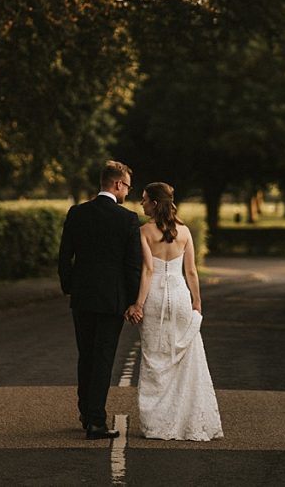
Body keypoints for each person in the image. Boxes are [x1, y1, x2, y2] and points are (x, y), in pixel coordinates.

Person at [127, 182, 223, 441]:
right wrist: (197, 300)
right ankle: (185, 419)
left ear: (155, 203)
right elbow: (191, 271)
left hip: (156, 298)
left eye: (145, 199)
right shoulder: (185, 232)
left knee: (154, 358)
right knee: (182, 358)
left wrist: (138, 303)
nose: (141, 203)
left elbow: (148, 271)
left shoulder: (144, 231)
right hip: (180, 297)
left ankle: (157, 423)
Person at [58, 160, 143, 440]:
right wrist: (133, 301)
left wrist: (71, 286)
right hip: (112, 300)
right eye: (127, 187)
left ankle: (86, 412)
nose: (127, 193)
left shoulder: (77, 213)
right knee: (103, 358)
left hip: (82, 297)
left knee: (87, 355)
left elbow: (64, 257)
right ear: (117, 184)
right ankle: (95, 422)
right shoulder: (127, 219)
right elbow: (133, 266)